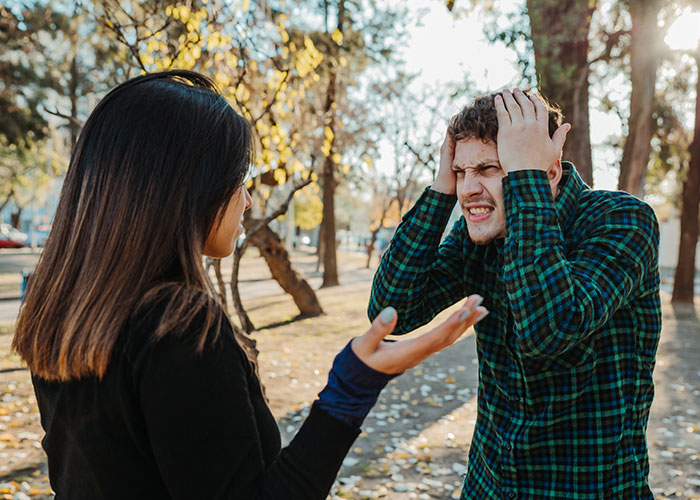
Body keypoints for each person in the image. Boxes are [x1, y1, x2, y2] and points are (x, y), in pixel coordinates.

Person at [11, 70, 489, 500]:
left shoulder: (61, 309)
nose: (247, 196)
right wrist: (354, 384)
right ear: (187, 189)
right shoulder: (176, 325)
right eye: (239, 177)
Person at [368, 88, 661, 499]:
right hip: (489, 486)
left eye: (488, 168)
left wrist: (527, 179)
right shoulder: (478, 237)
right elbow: (390, 311)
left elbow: (549, 331)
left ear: (550, 172)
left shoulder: (623, 221)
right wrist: (440, 190)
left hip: (592, 490)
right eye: (460, 170)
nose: (468, 188)